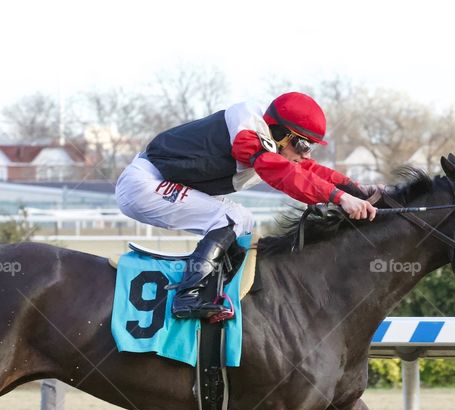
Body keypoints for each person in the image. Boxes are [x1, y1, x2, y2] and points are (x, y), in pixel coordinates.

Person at [115, 92, 381, 319]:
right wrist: (339, 198)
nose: (307, 153)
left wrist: (356, 189)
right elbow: (284, 176)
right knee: (231, 217)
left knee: (243, 220)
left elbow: (309, 170)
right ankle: (189, 296)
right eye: (303, 144)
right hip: (144, 183)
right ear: (282, 135)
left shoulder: (270, 145)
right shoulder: (247, 132)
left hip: (160, 180)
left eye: (311, 146)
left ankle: (216, 290)